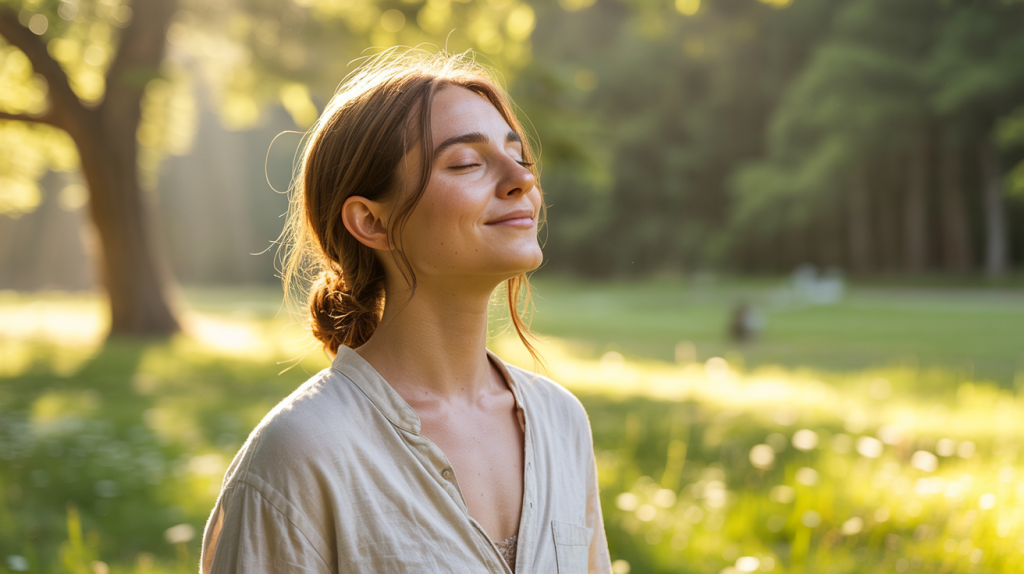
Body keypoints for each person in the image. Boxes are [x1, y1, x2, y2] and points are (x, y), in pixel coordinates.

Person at [199, 49, 611, 574]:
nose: (522, 180)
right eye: (466, 162)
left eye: (520, 157)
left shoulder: (563, 422)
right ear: (372, 221)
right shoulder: (302, 454)